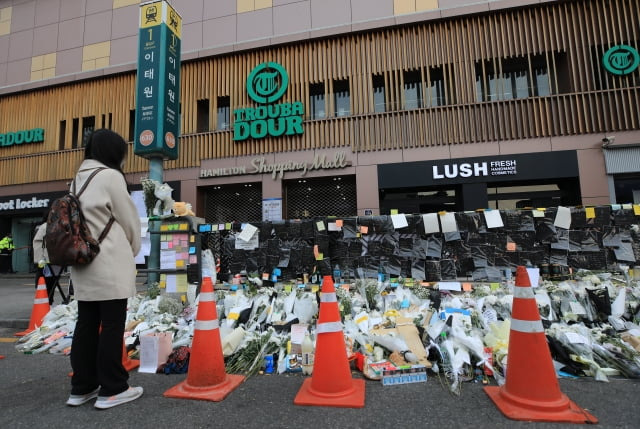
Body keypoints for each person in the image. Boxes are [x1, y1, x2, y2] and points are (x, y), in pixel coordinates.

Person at [65, 129, 143, 410]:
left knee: (85, 325)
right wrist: (131, 251)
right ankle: (113, 388)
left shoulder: (77, 180)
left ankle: (81, 387)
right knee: (111, 325)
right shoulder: (110, 177)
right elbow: (130, 221)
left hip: (83, 264)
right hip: (108, 261)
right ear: (114, 152)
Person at [32, 211, 62, 305]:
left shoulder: (42, 226)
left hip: (43, 260)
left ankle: (45, 302)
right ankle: (47, 303)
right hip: (48, 260)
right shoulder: (48, 226)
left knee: (46, 282)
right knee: (49, 282)